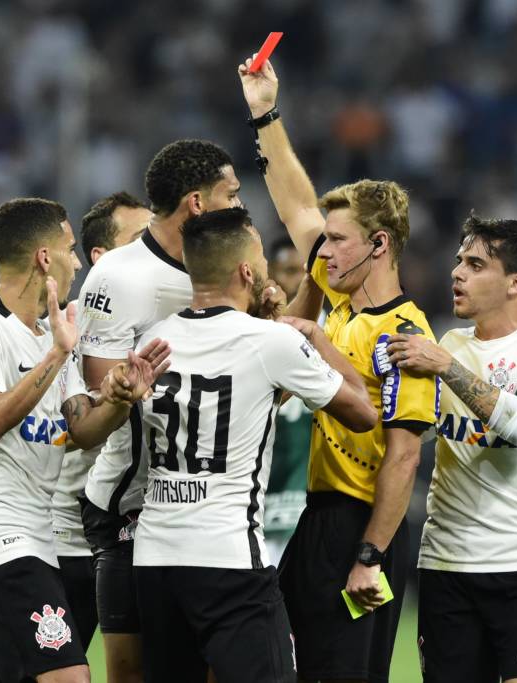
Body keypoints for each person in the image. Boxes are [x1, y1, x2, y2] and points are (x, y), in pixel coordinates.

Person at [239, 57, 439, 682]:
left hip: (361, 527)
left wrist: (370, 556)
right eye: (323, 240)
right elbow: (296, 201)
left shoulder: (406, 334)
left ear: (379, 245)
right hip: (317, 518)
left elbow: (404, 459)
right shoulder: (341, 297)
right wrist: (265, 113)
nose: (320, 250)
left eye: (337, 240)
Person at [132, 207, 377, 683]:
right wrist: (318, 339)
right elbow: (362, 412)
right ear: (246, 270)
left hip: (155, 558)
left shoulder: (153, 338)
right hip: (228, 559)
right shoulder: (270, 343)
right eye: (261, 253)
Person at [0, 197, 170, 683]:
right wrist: (57, 355)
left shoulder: (53, 331)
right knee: (70, 676)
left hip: (37, 533)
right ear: (44, 258)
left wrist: (121, 397)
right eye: (69, 250)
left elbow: (82, 433)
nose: (76, 262)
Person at [74, 139, 247, 683]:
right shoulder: (119, 276)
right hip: (133, 503)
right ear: (197, 203)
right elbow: (103, 388)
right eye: (231, 193)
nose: (241, 205)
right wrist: (133, 385)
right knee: (134, 675)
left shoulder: (232, 268)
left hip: (214, 507)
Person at [386, 215, 517, 683]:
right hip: (445, 565)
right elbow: (417, 432)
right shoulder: (449, 343)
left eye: (475, 264)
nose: (457, 273)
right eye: (458, 262)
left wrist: (445, 368)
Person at [53, 191, 152, 652]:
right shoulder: (59, 333)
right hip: (63, 538)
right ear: (101, 258)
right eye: (139, 242)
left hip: (134, 530)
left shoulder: (156, 325)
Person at [263, 236, 320, 562]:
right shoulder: (253, 334)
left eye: (304, 271)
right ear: (270, 275)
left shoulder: (336, 336)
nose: (297, 280)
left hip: (310, 505)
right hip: (258, 508)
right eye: (288, 270)